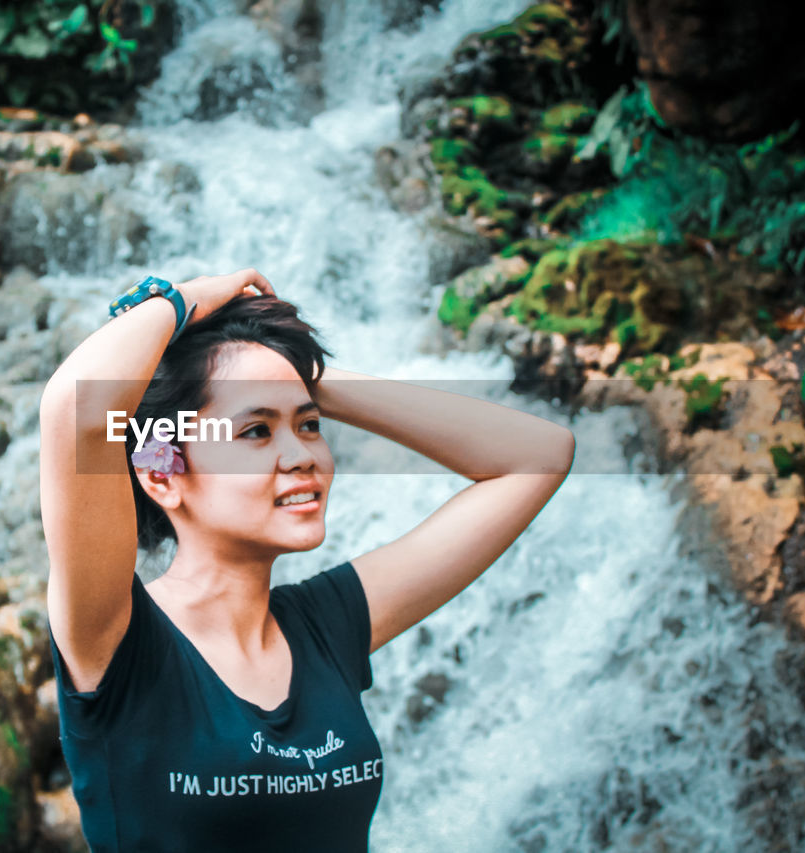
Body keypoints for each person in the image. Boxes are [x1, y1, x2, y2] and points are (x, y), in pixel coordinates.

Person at [39, 268, 575, 852]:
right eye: (256, 432)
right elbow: (77, 406)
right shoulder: (117, 639)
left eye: (310, 425)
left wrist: (297, 374)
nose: (303, 457)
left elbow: (539, 456)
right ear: (163, 472)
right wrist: (189, 301)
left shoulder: (328, 625)